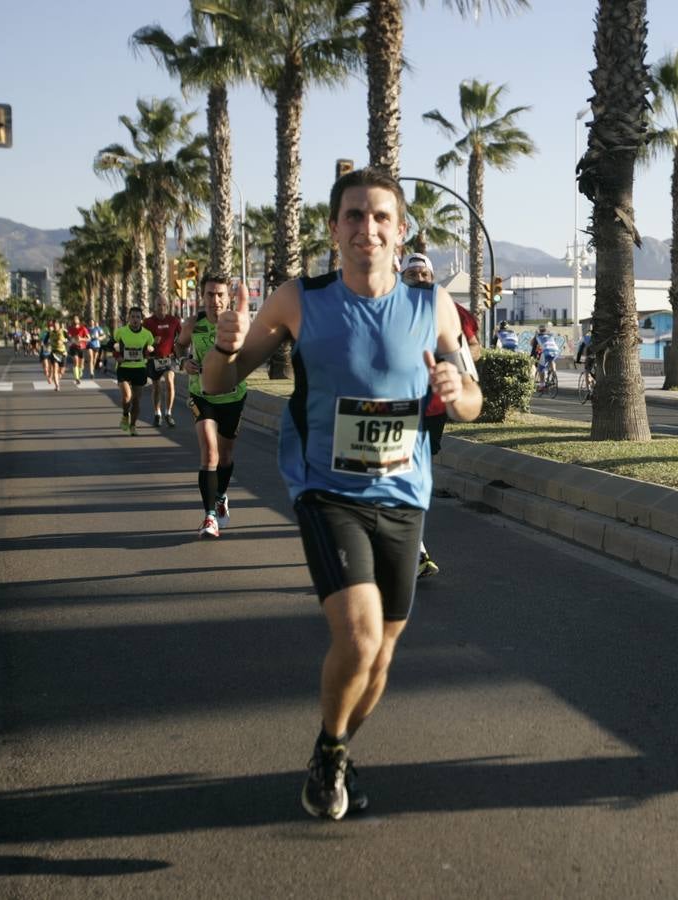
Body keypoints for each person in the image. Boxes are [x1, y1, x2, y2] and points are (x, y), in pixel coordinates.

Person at [202, 166, 481, 821]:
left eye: (381, 216)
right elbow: (219, 385)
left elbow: (472, 398)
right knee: (357, 640)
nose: (368, 228)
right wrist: (223, 341)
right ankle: (330, 753)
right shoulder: (299, 300)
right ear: (333, 230)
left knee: (382, 654)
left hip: (404, 496)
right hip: (327, 491)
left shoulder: (432, 306)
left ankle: (335, 748)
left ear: (401, 229)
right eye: (353, 216)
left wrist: (454, 392)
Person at [404, 251, 480, 577]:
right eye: (413, 274)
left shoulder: (447, 307)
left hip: (432, 407)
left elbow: (472, 347)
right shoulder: (382, 306)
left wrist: (456, 367)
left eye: (425, 274)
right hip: (390, 409)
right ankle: (413, 551)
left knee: (417, 474)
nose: (420, 279)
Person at [176, 274, 247, 539]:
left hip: (233, 397)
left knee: (226, 457)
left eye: (219, 295)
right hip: (201, 395)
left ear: (228, 298)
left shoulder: (239, 324)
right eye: (209, 294)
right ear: (202, 297)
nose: (214, 300)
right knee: (209, 452)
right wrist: (184, 361)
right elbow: (179, 346)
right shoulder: (193, 324)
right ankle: (209, 517)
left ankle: (221, 496)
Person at [111, 306, 155, 435]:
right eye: (133, 317)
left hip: (140, 368)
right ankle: (125, 414)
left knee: (136, 400)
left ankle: (133, 425)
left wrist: (149, 353)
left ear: (141, 319)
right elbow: (110, 345)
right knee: (127, 397)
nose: (135, 319)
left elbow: (152, 348)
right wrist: (117, 356)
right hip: (123, 368)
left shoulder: (147, 334)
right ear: (128, 318)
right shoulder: (120, 332)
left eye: (138, 317)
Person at [144, 298, 183, 427]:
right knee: (156, 388)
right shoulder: (148, 322)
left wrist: (181, 354)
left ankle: (168, 413)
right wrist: (152, 342)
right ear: (154, 306)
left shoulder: (173, 321)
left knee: (170, 383)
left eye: (164, 305)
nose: (161, 307)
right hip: (154, 359)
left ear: (168, 306)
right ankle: (157, 413)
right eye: (159, 305)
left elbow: (182, 337)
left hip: (169, 358)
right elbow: (142, 340)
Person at [45, 319, 68, 392]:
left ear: (59, 325)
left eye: (56, 325)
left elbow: (69, 339)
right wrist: (47, 345)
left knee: (62, 371)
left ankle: (58, 377)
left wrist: (63, 341)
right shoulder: (50, 333)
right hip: (54, 352)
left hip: (62, 352)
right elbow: (45, 341)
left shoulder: (63, 331)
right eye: (54, 325)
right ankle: (57, 386)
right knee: (55, 368)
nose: (55, 327)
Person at [66, 315, 90, 384]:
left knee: (81, 365)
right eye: (74, 319)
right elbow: (69, 337)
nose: (75, 320)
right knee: (75, 361)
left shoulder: (83, 328)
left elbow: (89, 338)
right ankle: (77, 378)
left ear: (79, 321)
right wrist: (71, 339)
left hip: (82, 348)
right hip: (73, 347)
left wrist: (81, 339)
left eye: (76, 319)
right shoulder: (70, 329)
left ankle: (80, 371)